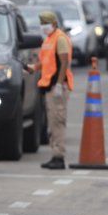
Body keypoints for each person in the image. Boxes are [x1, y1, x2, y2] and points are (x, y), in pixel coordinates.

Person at [34, 11, 73, 169]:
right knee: (52, 122)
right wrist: (33, 68)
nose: (44, 26)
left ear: (54, 24)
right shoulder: (49, 39)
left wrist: (58, 84)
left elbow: (64, 63)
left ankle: (59, 156)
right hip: (49, 86)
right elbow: (46, 62)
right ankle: (55, 154)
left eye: (46, 23)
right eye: (42, 23)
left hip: (58, 87)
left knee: (57, 121)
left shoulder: (60, 38)